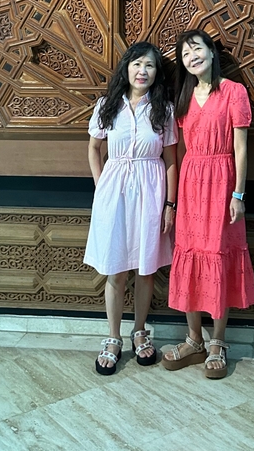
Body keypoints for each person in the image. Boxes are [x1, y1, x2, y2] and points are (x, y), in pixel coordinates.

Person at [162, 29, 254, 379]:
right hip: (191, 184)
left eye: (197, 49)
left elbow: (241, 148)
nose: (192, 57)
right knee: (189, 254)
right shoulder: (183, 96)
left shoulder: (234, 91)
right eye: (185, 54)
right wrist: (174, 199)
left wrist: (238, 194)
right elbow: (179, 150)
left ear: (212, 52)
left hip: (222, 182)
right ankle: (193, 339)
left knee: (218, 254)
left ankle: (217, 342)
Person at [84, 41, 177, 375]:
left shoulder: (163, 109)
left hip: (151, 191)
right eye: (137, 64)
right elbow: (94, 149)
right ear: (126, 68)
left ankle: (140, 331)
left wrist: (170, 203)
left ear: (156, 73)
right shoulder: (107, 105)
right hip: (115, 193)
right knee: (116, 269)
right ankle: (113, 337)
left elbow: (171, 160)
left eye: (149, 65)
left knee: (145, 269)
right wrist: (101, 187)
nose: (142, 71)